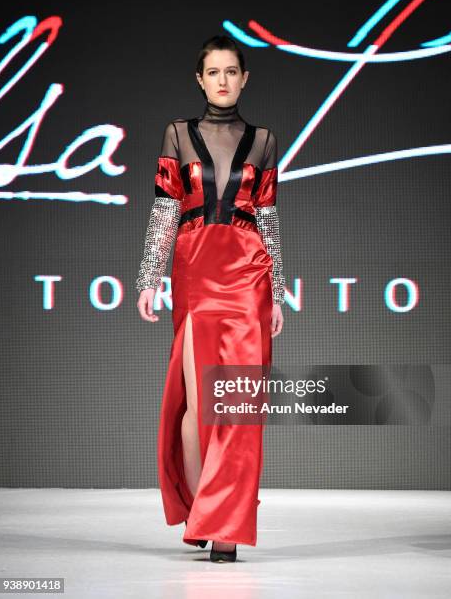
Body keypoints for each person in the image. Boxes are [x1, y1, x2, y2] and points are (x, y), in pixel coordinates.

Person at [136, 35, 286, 563]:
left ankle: (225, 528)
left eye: (231, 71)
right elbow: (163, 210)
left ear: (244, 78)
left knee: (238, 405)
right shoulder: (177, 134)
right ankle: (205, 508)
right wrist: (148, 277)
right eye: (213, 72)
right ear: (199, 80)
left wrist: (279, 293)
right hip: (196, 271)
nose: (223, 80)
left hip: (249, 275)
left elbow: (267, 219)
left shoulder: (265, 140)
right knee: (198, 406)